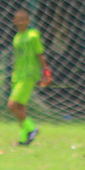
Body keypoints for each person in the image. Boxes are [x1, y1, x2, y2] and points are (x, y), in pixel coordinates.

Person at [7, 8, 52, 145]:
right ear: (14, 21)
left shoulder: (33, 35)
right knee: (21, 107)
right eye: (18, 19)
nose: (20, 22)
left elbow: (40, 54)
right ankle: (24, 138)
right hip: (18, 75)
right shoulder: (17, 37)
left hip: (29, 74)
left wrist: (46, 72)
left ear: (28, 21)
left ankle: (32, 128)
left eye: (23, 19)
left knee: (12, 105)